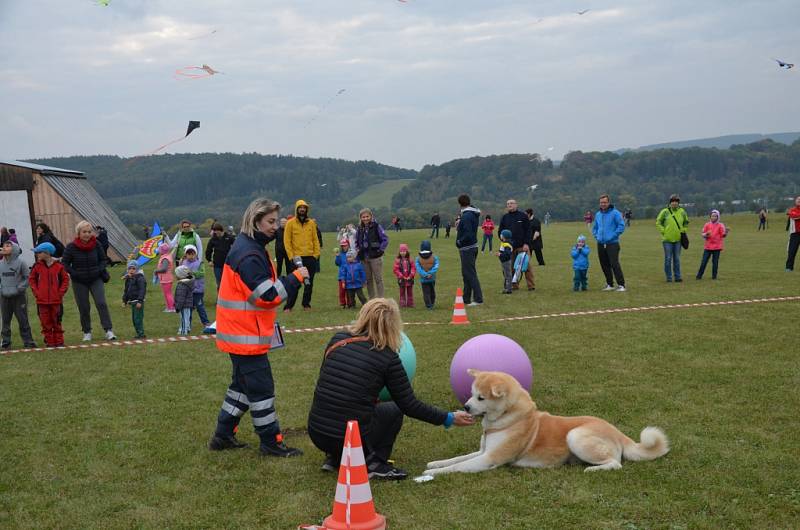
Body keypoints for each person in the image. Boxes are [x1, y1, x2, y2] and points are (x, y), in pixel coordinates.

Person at [307, 298, 474, 479]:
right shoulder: (387, 358)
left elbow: (330, 381)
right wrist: (448, 418)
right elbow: (409, 405)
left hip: (317, 433)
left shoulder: (337, 340)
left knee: (350, 409)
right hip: (349, 438)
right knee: (394, 410)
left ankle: (335, 458)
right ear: (393, 326)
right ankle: (375, 462)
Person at [209, 197, 308, 457]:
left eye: (277, 220)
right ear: (255, 221)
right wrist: (296, 278)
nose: (275, 226)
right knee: (262, 390)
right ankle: (270, 442)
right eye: (270, 221)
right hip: (245, 336)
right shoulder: (249, 253)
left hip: (241, 333)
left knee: (241, 386)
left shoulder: (250, 246)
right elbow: (267, 296)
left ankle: (223, 435)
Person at [62, 221, 117, 341]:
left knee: (101, 303)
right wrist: (74, 273)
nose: (87, 234)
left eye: (89, 232)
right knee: (84, 307)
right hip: (79, 281)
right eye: (84, 232)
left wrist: (98, 270)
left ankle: (108, 330)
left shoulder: (97, 244)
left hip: (95, 279)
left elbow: (104, 260)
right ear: (78, 233)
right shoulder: (71, 247)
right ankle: (87, 332)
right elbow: (65, 263)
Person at [29, 242, 69, 347]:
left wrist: (60, 293)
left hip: (56, 301)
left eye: (38, 252)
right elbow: (32, 280)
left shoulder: (59, 267)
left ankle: (59, 341)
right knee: (45, 322)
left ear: (47, 253)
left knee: (57, 321)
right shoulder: (36, 267)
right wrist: (36, 292)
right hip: (41, 301)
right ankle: (50, 342)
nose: (36, 254)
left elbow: (65, 280)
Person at [283, 199, 320, 312]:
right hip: (296, 259)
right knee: (294, 284)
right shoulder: (290, 223)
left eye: (304, 208)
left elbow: (315, 239)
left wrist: (316, 255)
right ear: (297, 209)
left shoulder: (312, 223)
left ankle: (306, 304)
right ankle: (288, 306)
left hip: (310, 257)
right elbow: (287, 241)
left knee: (309, 283)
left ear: (307, 210)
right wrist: (291, 257)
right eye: (300, 208)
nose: (302, 209)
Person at [0, 240, 36, 349]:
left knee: (22, 319)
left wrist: (20, 288)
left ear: (14, 249)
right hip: (4, 296)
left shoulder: (21, 263)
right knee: (5, 320)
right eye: (3, 246)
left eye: (8, 246)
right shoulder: (0, 264)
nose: (4, 247)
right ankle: (6, 342)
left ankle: (28, 341)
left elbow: (27, 278)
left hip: (19, 297)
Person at [592, 194, 627, 292]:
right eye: (601, 202)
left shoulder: (615, 213)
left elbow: (621, 226)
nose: (603, 204)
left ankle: (621, 285)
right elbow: (595, 227)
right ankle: (610, 284)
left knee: (614, 264)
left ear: (609, 202)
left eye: (605, 202)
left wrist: (612, 236)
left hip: (612, 243)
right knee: (604, 264)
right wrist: (597, 236)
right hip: (600, 243)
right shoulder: (598, 214)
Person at [498, 199, 534, 290]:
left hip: (522, 246)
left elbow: (528, 231)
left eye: (511, 203)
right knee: (511, 268)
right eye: (507, 204)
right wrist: (502, 240)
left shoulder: (523, 216)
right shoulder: (504, 217)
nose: (509, 205)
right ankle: (514, 285)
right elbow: (500, 231)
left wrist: (526, 243)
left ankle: (531, 285)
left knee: (526, 266)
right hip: (509, 248)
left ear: (516, 205)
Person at [456, 194, 483, 305]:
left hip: (467, 248)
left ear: (460, 204)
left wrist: (460, 241)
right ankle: (466, 299)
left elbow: (468, 233)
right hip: (471, 247)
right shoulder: (472, 213)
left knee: (470, 274)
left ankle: (478, 299)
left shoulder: (467, 216)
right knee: (466, 273)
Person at [355, 208, 389, 299]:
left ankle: (381, 299)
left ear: (371, 216)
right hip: (364, 258)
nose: (365, 218)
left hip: (375, 257)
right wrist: (358, 249)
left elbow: (385, 239)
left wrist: (381, 250)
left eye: (367, 216)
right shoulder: (359, 228)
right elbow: (356, 242)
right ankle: (372, 299)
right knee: (368, 280)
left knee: (378, 279)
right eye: (363, 217)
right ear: (360, 218)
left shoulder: (377, 226)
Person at [656, 194, 689, 282]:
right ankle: (669, 277)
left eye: (676, 202)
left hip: (678, 239)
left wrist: (683, 230)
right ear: (670, 203)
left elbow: (686, 222)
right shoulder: (665, 211)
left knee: (677, 259)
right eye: (672, 201)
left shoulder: (682, 211)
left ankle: (677, 277)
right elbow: (658, 222)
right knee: (668, 258)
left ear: (678, 203)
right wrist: (663, 231)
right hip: (667, 240)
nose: (674, 203)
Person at [180, 245, 211, 329]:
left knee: (200, 307)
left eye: (193, 254)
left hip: (198, 290)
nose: (191, 256)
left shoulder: (200, 263)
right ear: (186, 254)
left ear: (196, 254)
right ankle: (187, 325)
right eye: (189, 254)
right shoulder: (183, 262)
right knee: (188, 308)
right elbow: (181, 274)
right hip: (188, 290)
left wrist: (192, 274)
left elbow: (202, 273)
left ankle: (206, 322)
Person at [696, 210, 728, 280]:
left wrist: (726, 232)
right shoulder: (707, 224)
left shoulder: (720, 225)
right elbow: (702, 234)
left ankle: (714, 277)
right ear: (710, 216)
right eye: (712, 216)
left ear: (718, 217)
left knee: (715, 263)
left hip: (717, 247)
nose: (713, 217)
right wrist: (706, 234)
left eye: (715, 216)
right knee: (704, 262)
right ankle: (699, 276)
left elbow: (723, 235)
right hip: (708, 247)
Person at [205, 223, 235, 292]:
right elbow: (208, 251)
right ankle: (220, 300)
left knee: (229, 282)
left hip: (228, 264)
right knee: (219, 282)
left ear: (221, 230)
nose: (215, 232)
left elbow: (236, 247)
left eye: (217, 231)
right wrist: (209, 260)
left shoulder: (229, 237)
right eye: (214, 231)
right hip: (217, 265)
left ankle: (229, 298)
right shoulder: (213, 239)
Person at [122, 260, 147, 338]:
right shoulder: (129, 279)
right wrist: (124, 300)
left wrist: (140, 301)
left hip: (138, 301)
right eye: (130, 269)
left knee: (138, 319)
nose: (131, 270)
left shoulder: (140, 278)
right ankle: (138, 333)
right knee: (134, 319)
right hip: (132, 302)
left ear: (137, 269)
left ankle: (141, 334)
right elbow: (126, 290)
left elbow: (142, 290)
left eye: (133, 269)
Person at [415, 240, 439, 310]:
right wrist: (430, 273)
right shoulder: (434, 257)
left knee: (426, 293)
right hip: (432, 278)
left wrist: (425, 275)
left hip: (423, 279)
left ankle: (429, 305)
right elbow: (436, 266)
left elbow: (418, 268)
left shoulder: (418, 258)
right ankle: (432, 303)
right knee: (432, 291)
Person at [154, 242, 176, 312]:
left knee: (168, 293)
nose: (158, 251)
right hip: (165, 278)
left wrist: (156, 271)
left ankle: (172, 308)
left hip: (166, 279)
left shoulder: (165, 259)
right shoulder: (167, 256)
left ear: (162, 251)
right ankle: (168, 307)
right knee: (166, 293)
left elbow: (164, 269)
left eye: (159, 249)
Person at [392, 243, 416, 308]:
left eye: (404, 251)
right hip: (401, 279)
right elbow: (395, 269)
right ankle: (402, 303)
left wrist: (411, 275)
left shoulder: (410, 260)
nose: (403, 253)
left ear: (407, 251)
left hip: (409, 279)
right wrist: (401, 275)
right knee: (402, 292)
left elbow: (413, 268)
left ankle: (410, 303)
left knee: (410, 291)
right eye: (401, 251)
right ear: (399, 252)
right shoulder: (398, 260)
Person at [173, 265, 194, 335]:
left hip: (183, 305)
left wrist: (178, 307)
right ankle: (187, 328)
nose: (175, 276)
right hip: (188, 304)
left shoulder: (182, 285)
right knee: (187, 317)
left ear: (180, 275)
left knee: (183, 318)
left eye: (176, 274)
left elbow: (180, 297)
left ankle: (183, 332)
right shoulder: (188, 282)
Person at [334, 238, 351, 308]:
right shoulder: (340, 254)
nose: (344, 247)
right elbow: (337, 263)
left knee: (349, 291)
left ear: (348, 245)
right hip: (341, 276)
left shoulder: (350, 253)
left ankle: (350, 303)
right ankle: (342, 303)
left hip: (349, 275)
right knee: (342, 291)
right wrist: (337, 256)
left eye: (345, 245)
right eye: (342, 246)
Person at [785, 196, 800, 271]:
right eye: (798, 199)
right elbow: (794, 216)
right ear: (795, 201)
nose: (799, 200)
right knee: (792, 251)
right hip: (795, 234)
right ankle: (789, 268)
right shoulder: (792, 210)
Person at [497, 229, 514, 294]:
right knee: (506, 274)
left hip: (506, 261)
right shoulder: (504, 243)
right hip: (504, 261)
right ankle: (507, 287)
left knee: (508, 275)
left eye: (501, 234)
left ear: (504, 236)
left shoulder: (507, 244)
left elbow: (507, 253)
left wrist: (500, 254)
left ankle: (509, 289)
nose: (500, 235)